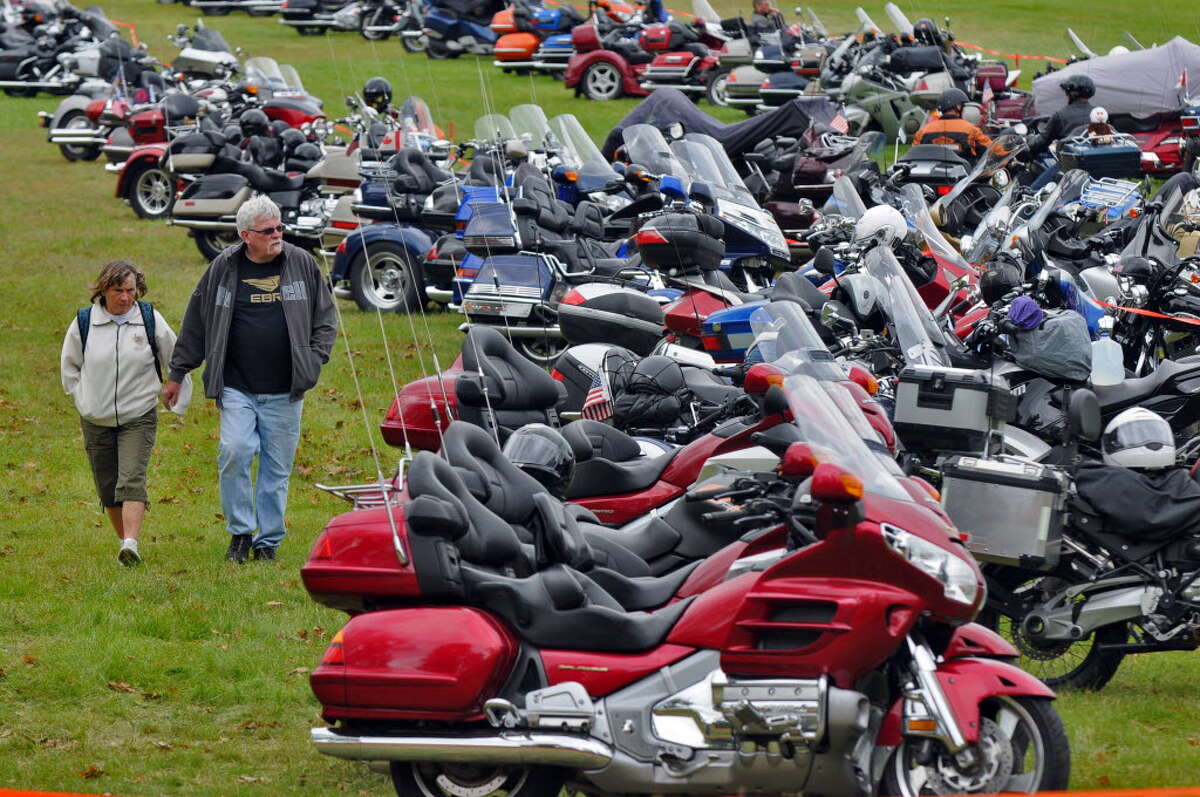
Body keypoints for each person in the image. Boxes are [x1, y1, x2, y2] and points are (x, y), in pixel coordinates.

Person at [162, 195, 337, 563]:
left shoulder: (300, 263)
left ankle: (268, 541)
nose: (278, 235)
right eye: (268, 230)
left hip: (286, 390)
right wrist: (178, 372)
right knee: (235, 452)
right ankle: (240, 534)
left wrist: (314, 357)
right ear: (246, 235)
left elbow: (326, 316)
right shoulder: (223, 268)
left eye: (279, 228)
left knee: (277, 469)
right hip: (237, 386)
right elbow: (197, 321)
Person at [61, 261, 192, 566]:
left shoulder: (149, 319)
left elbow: (176, 358)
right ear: (103, 290)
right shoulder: (84, 323)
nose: (125, 297)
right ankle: (124, 544)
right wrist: (83, 399)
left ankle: (132, 542)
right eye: (118, 291)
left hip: (139, 413)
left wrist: (176, 394)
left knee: (131, 477)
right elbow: (70, 368)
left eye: (130, 290)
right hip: (96, 417)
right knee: (107, 486)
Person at [1026, 73, 1096, 190]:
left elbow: (1042, 142)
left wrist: (1028, 140)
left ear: (1070, 93)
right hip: (1096, 164)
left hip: (1070, 166)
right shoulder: (1097, 113)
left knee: (1031, 192)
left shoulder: (1061, 116)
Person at [913, 88, 992, 159]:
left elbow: (913, 154)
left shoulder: (924, 131)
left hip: (931, 174)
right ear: (958, 106)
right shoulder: (971, 130)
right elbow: (993, 150)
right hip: (963, 174)